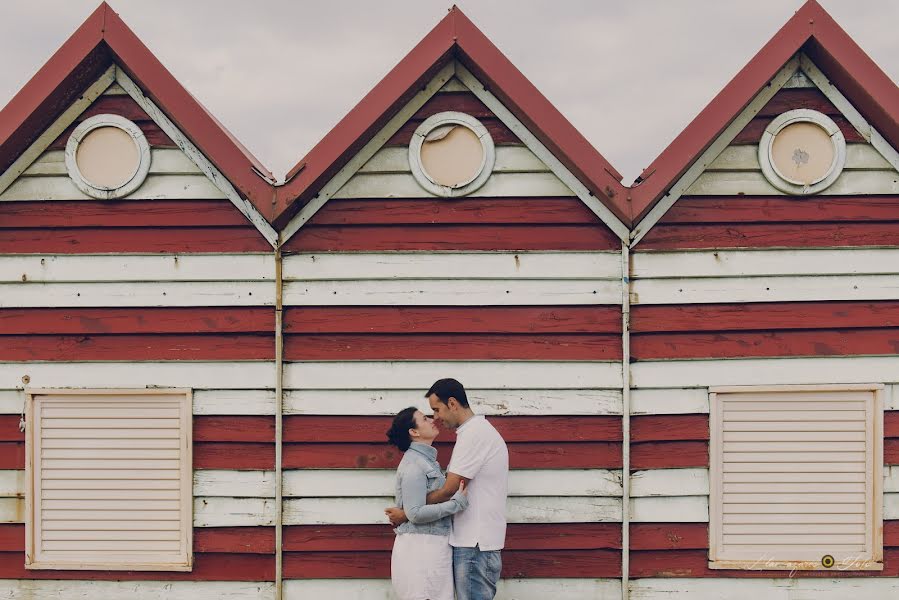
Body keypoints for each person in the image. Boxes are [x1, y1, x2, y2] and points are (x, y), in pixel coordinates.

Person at [387, 378, 509, 600]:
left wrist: (406, 514)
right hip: (470, 541)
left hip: (475, 542)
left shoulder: (474, 434)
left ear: (452, 403)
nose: (436, 417)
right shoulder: (470, 434)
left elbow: (449, 489)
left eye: (436, 409)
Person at [386, 406, 469, 600]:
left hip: (432, 545)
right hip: (421, 548)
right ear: (414, 432)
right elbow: (415, 513)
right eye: (424, 419)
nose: (432, 420)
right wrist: (456, 504)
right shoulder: (415, 464)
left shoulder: (427, 461)